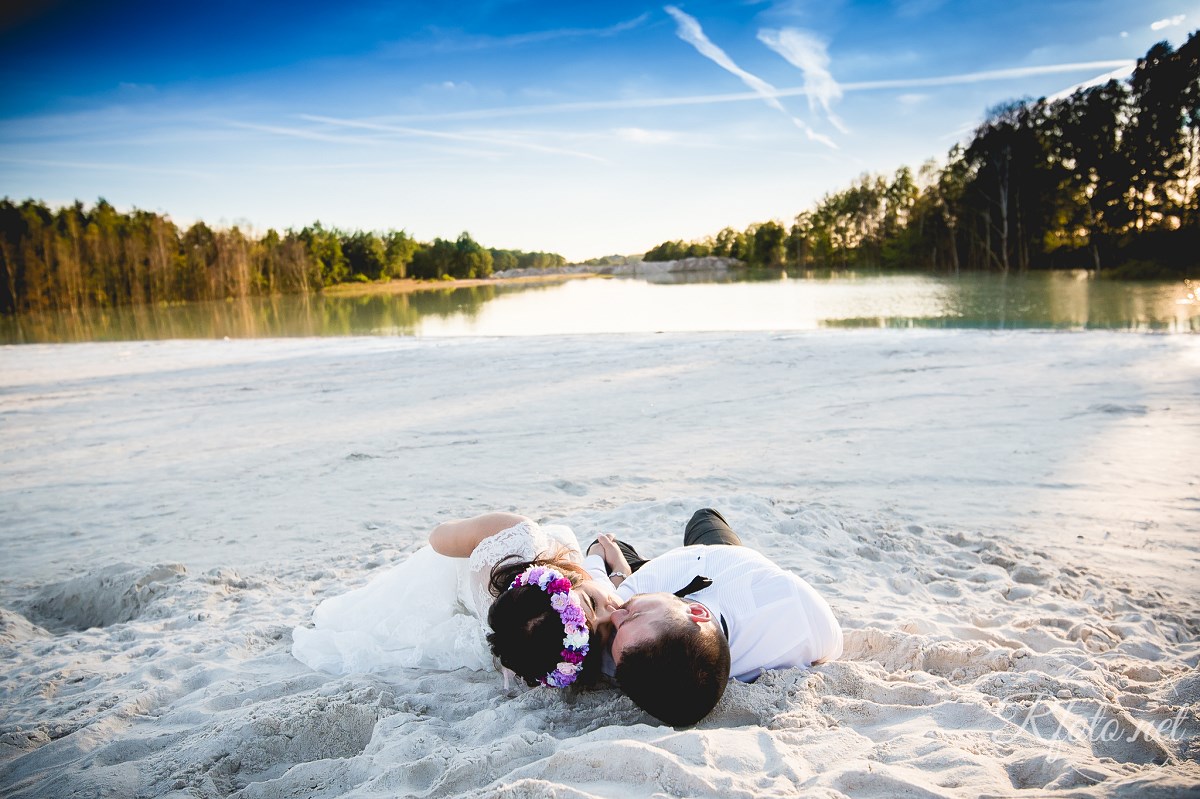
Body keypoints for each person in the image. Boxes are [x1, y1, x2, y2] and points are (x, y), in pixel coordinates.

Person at [291, 512, 622, 689]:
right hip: (443, 582)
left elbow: (438, 536)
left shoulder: (536, 640)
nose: (613, 610)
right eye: (593, 605)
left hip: (457, 589)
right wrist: (616, 575)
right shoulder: (514, 539)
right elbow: (438, 539)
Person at [585, 508, 843, 726]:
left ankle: (631, 565)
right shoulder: (795, 605)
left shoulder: (627, 655)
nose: (616, 613)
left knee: (609, 547)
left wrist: (614, 569)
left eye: (620, 626)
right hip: (726, 558)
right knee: (704, 516)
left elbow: (603, 596)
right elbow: (831, 647)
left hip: (660, 576)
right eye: (632, 614)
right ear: (697, 612)